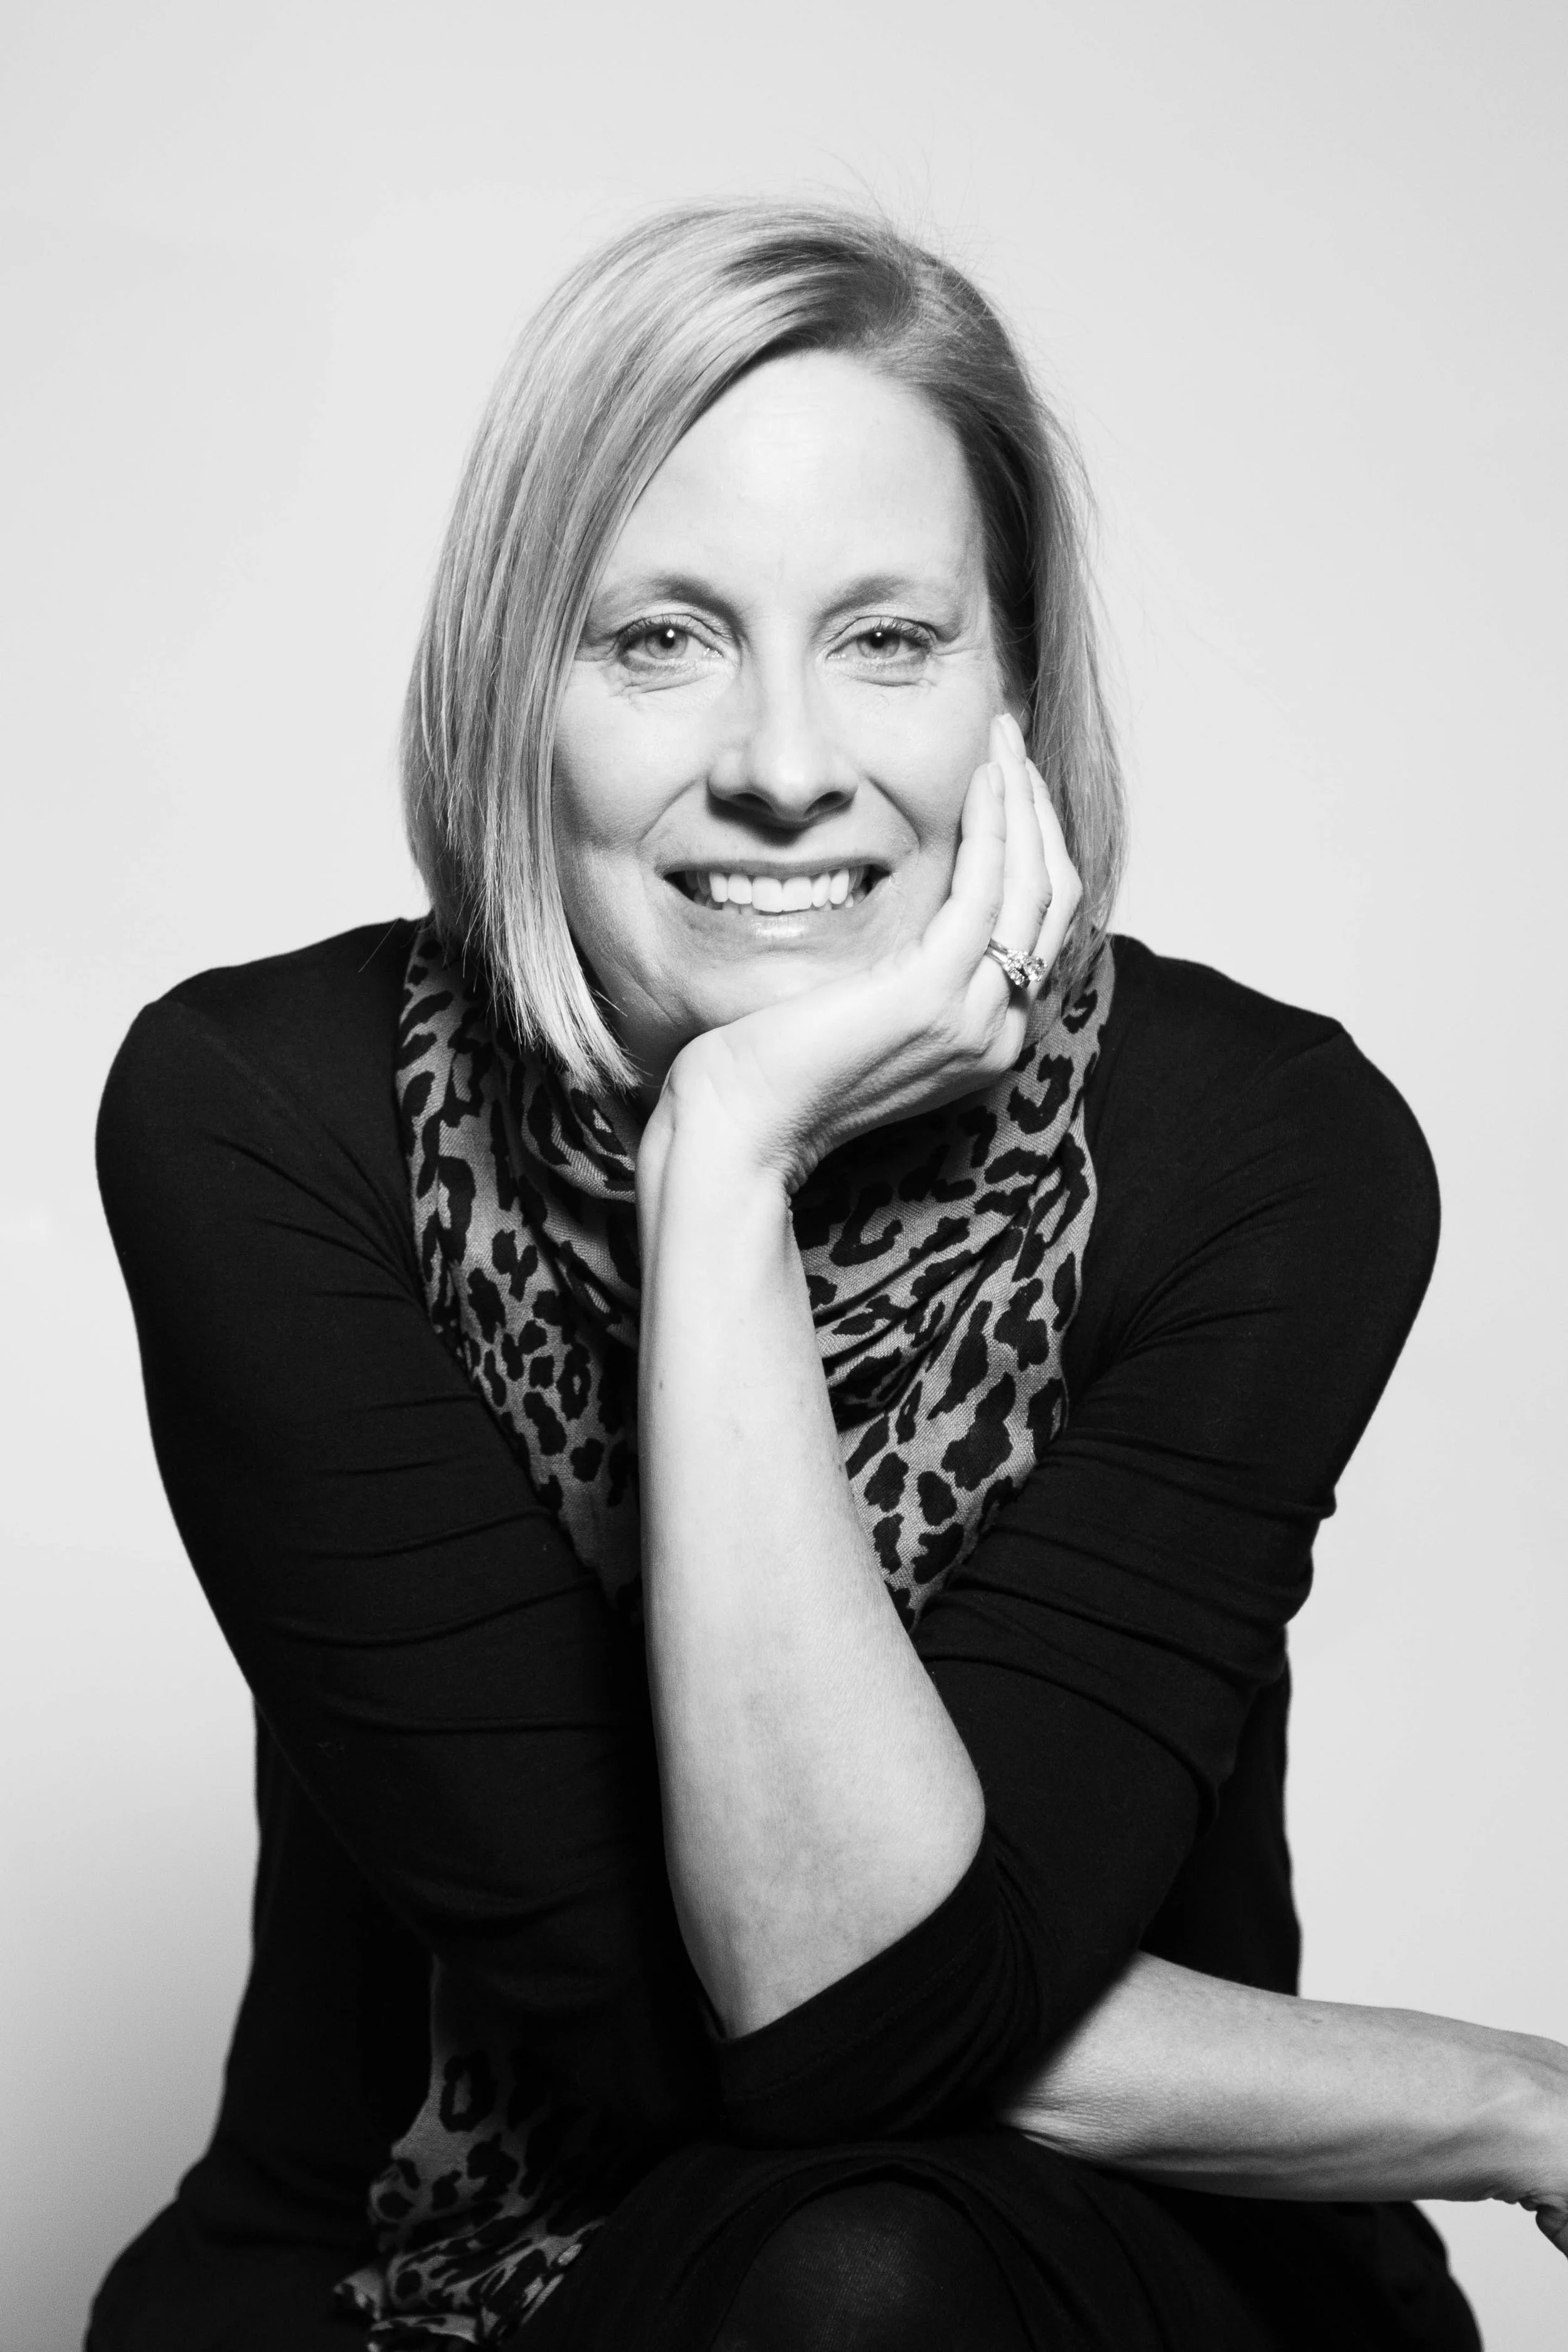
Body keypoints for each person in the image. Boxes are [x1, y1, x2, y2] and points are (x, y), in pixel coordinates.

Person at [88, 202, 1566, 2352]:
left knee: (867, 2268)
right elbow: (793, 2012)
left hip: (1085, 2270)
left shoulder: (1261, 1150)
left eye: (885, 638)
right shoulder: (263, 1114)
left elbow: (870, 2027)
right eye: (657, 639)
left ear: (1011, 689)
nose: (782, 766)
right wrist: (725, 1162)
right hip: (404, 2267)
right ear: (512, 689)